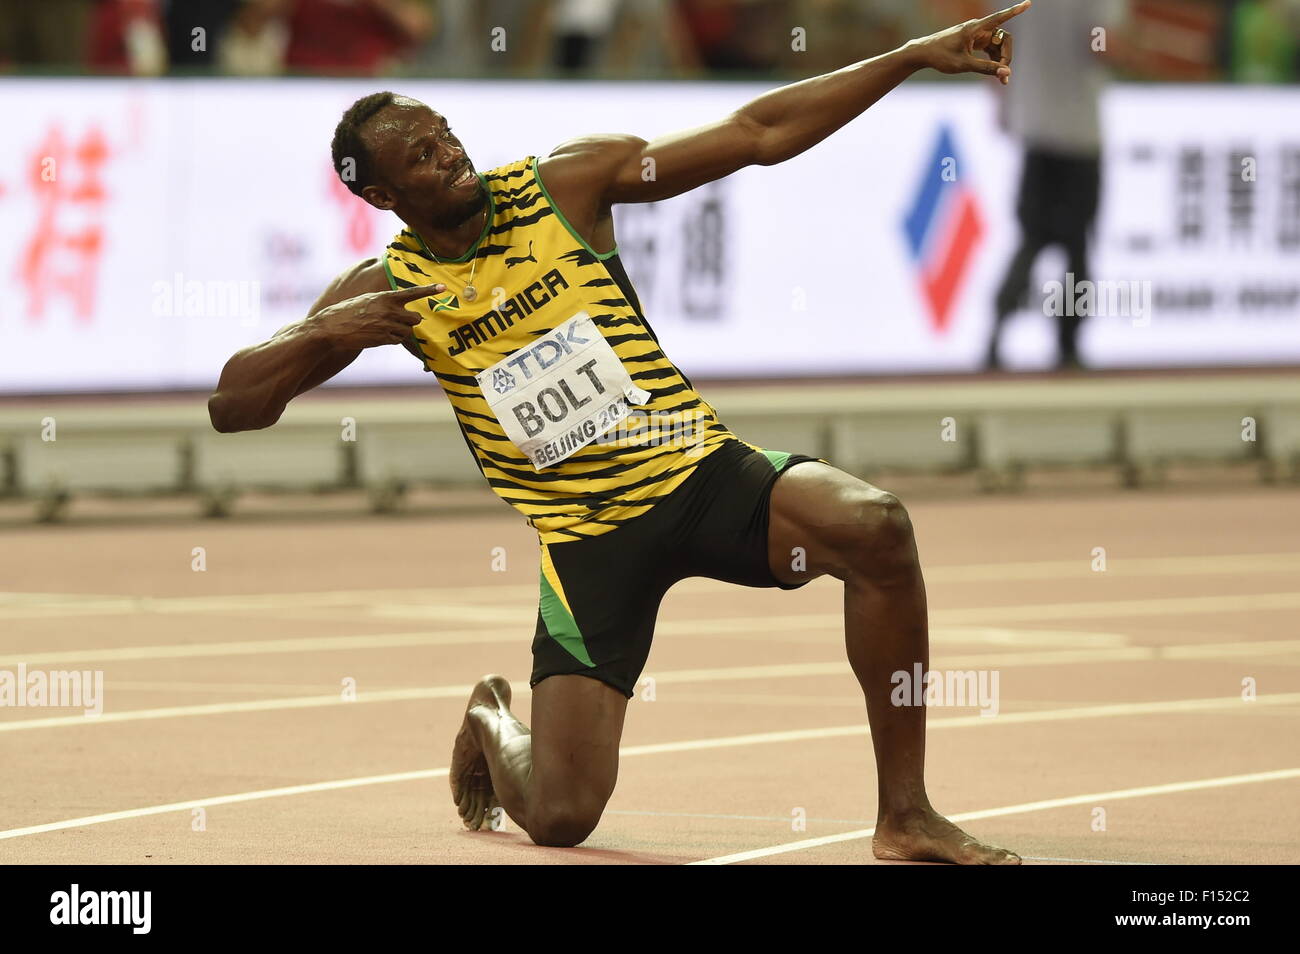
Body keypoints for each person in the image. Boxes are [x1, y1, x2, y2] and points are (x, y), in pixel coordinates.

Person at [208, 1, 1032, 863]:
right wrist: (322, 333)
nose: (451, 154)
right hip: (585, 543)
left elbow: (759, 130)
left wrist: (909, 56)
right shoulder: (389, 291)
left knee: (876, 527)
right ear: (383, 196)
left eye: (447, 134)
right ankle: (493, 715)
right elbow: (234, 408)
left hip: (701, 476)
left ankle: (905, 815)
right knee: (563, 818)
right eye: (422, 156)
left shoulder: (567, 185)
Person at [986, 0, 1127, 371]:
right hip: (1078, 130)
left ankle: (996, 335)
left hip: (1034, 126)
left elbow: (995, 43)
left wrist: (1003, 106)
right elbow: (1102, 46)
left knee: (1031, 240)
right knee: (1076, 247)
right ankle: (1068, 347)